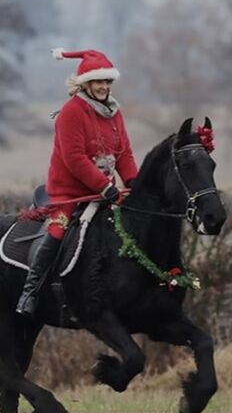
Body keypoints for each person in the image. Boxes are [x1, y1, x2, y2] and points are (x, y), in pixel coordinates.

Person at [16, 48, 139, 317]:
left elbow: (125, 154)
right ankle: (31, 291)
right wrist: (104, 187)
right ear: (85, 83)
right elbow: (74, 158)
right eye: (99, 82)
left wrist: (134, 184)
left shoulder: (114, 112)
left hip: (104, 192)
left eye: (108, 82)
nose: (104, 87)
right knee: (58, 232)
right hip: (70, 193)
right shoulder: (71, 112)